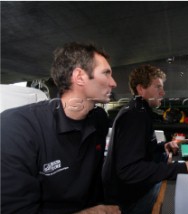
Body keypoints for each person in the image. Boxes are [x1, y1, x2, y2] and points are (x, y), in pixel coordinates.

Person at [1, 42, 121, 214]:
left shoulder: (99, 119)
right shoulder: (16, 127)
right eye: (106, 74)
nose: (113, 83)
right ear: (79, 76)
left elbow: (93, 185)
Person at [102, 64, 188, 214]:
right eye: (158, 87)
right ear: (141, 89)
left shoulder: (139, 110)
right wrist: (185, 168)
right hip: (127, 202)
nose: (163, 92)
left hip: (129, 192)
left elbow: (140, 150)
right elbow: (129, 171)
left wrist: (163, 146)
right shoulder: (134, 116)